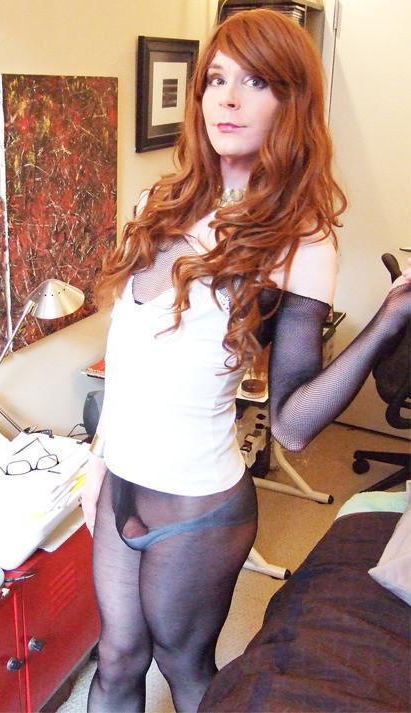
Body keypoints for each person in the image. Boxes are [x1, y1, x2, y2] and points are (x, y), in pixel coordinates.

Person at [82, 9, 410, 713]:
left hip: (197, 506)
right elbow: (127, 359)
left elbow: (290, 424)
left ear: (290, 104)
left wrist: (388, 320)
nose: (227, 100)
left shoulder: (300, 238)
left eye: (256, 83)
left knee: (184, 667)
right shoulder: (158, 202)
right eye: (217, 79)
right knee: (115, 659)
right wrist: (98, 460)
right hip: (120, 484)